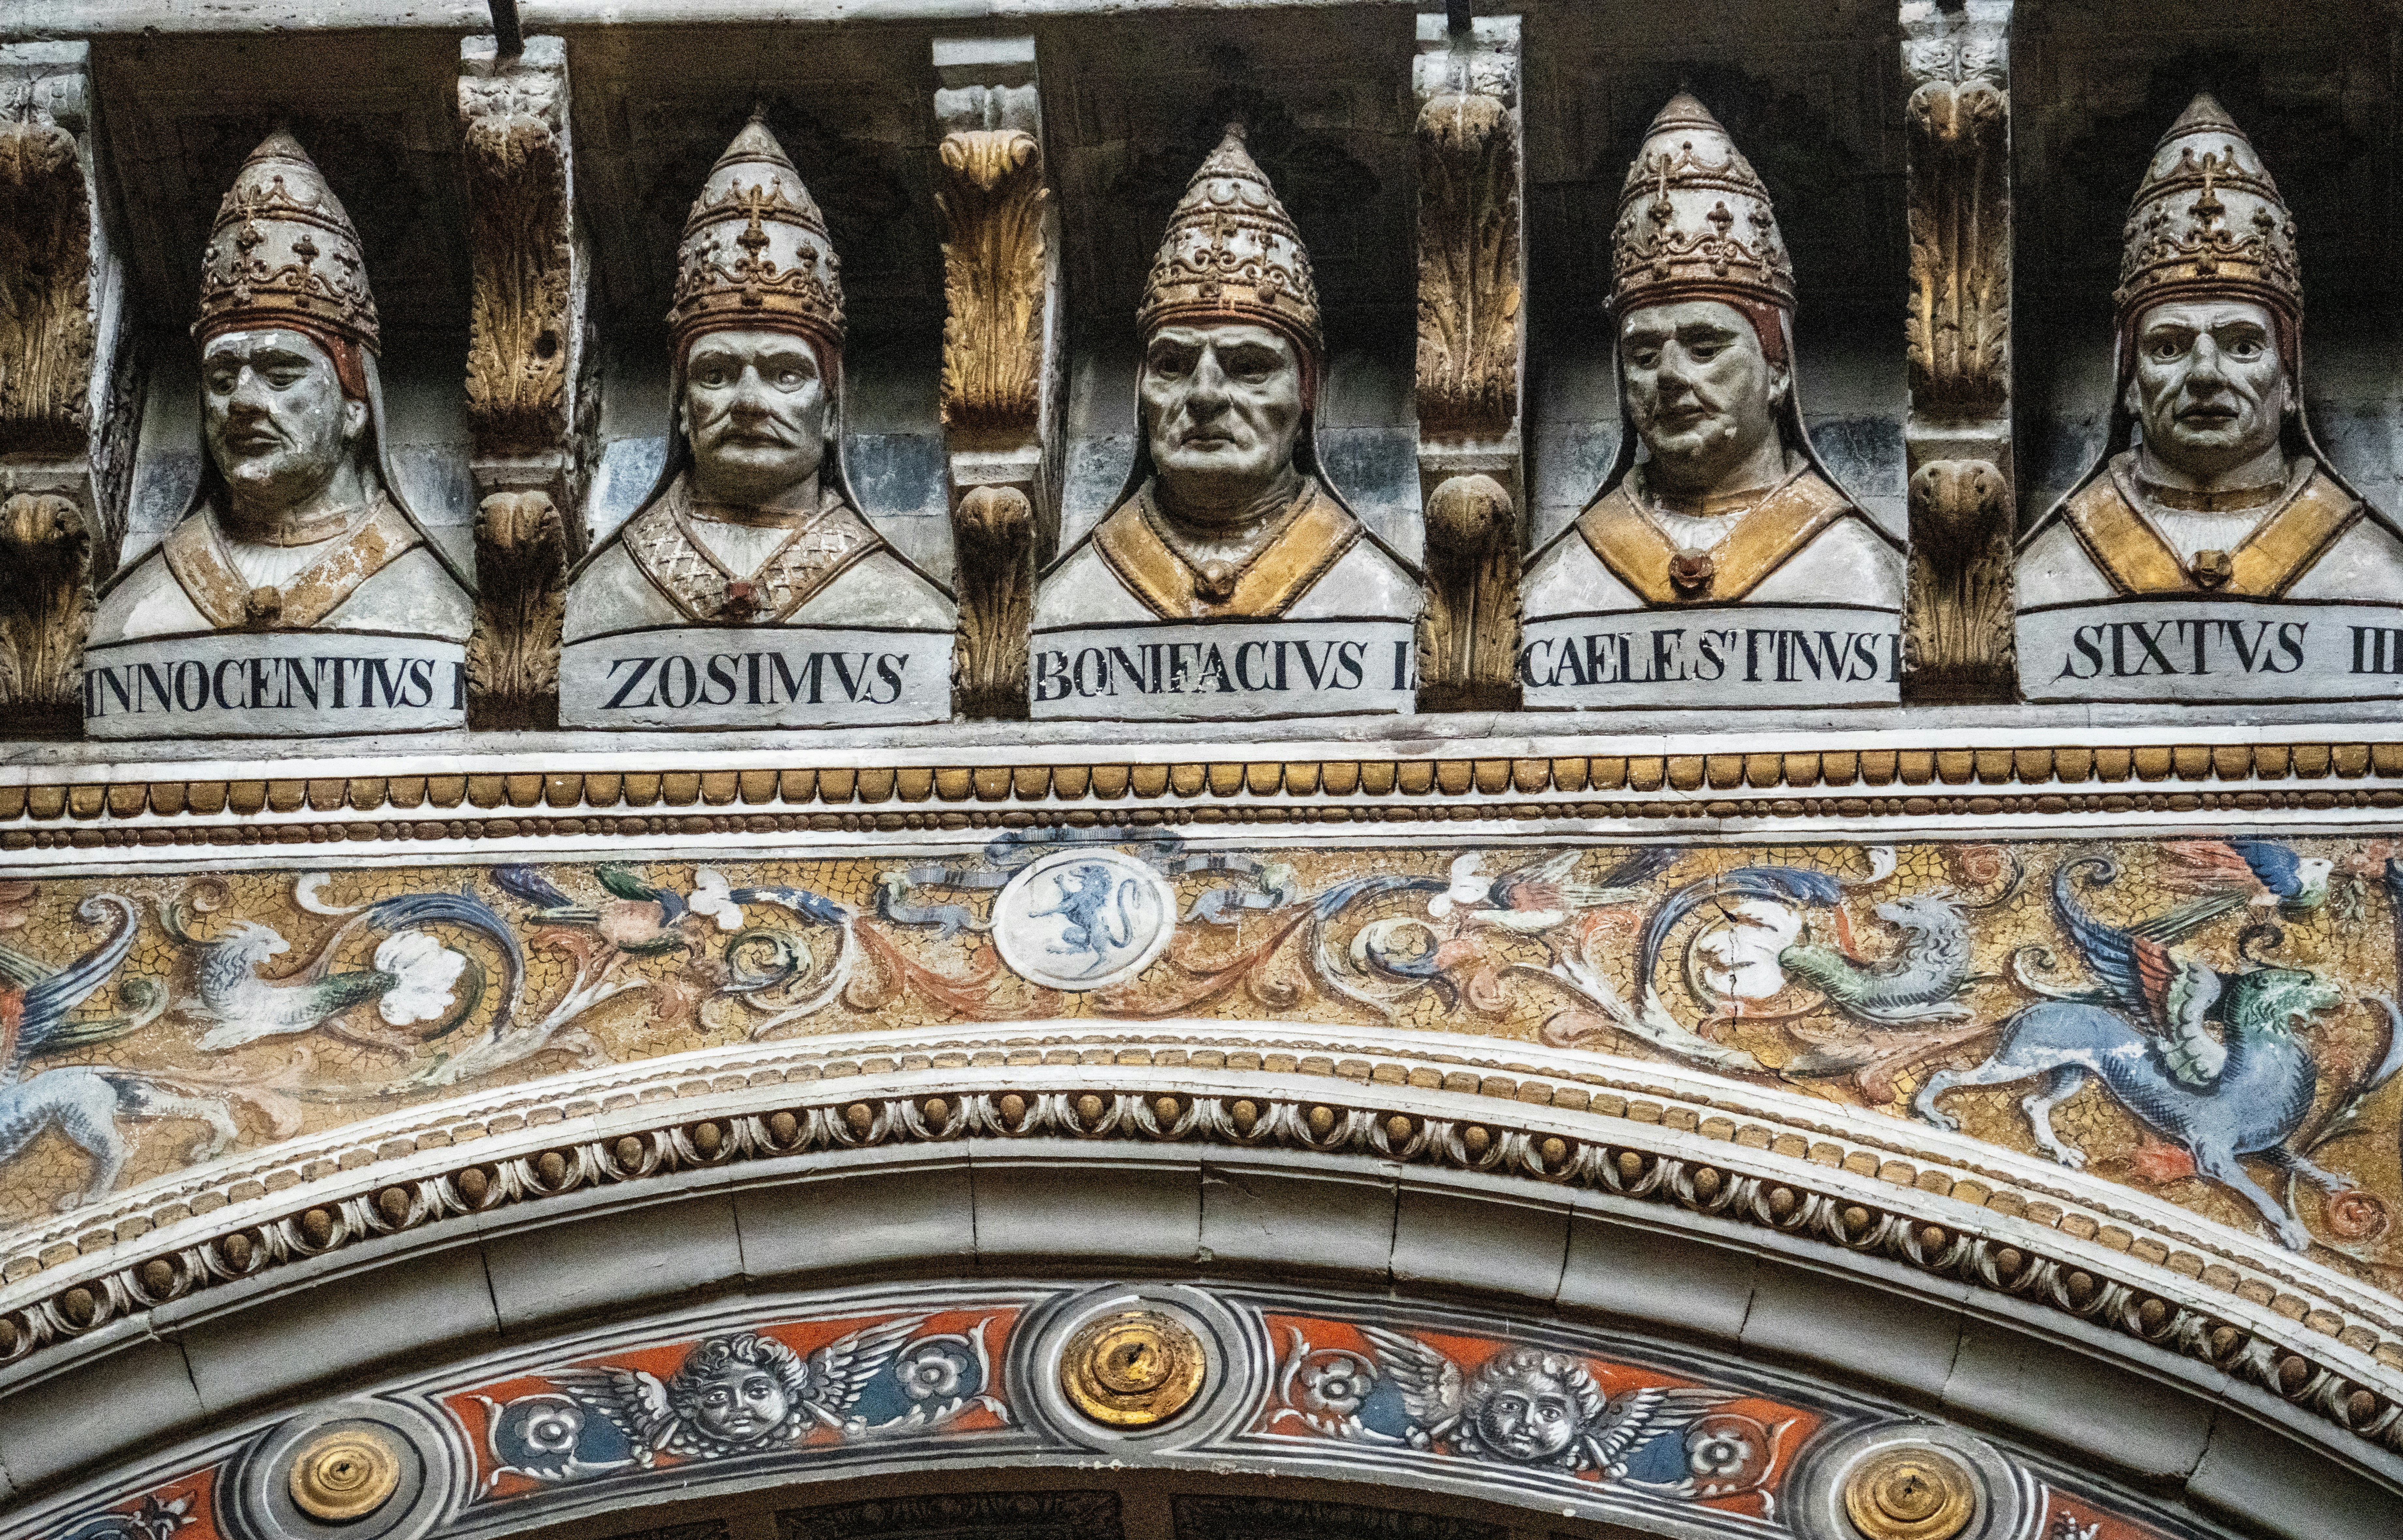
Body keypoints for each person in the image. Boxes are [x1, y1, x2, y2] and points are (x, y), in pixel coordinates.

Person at [561, 113, 954, 729]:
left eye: (785, 374)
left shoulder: (907, 605)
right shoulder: (594, 601)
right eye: (715, 373)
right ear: (682, 412)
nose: (747, 402)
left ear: (830, 411)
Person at [1519, 95, 1903, 711]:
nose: (1668, 376)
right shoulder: (1559, 583)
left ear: (1777, 369)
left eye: (1704, 345)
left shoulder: (1864, 573)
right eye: (1643, 356)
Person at [85, 130, 474, 738]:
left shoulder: (430, 600)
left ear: (355, 405)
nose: (242, 401)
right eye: (220, 376)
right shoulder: (132, 609)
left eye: (280, 371)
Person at [2016, 95, 2403, 703]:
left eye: (2242, 345)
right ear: (2128, 388)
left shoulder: (2378, 572)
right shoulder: (2046, 572)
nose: (2204, 374)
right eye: (2168, 347)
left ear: (2290, 381)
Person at [1028, 125, 1421, 721]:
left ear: (1308, 389)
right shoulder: (1062, 603)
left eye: (1247, 367)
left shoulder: (1385, 596)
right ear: (1140, 390)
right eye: (1173, 364)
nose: (1204, 395)